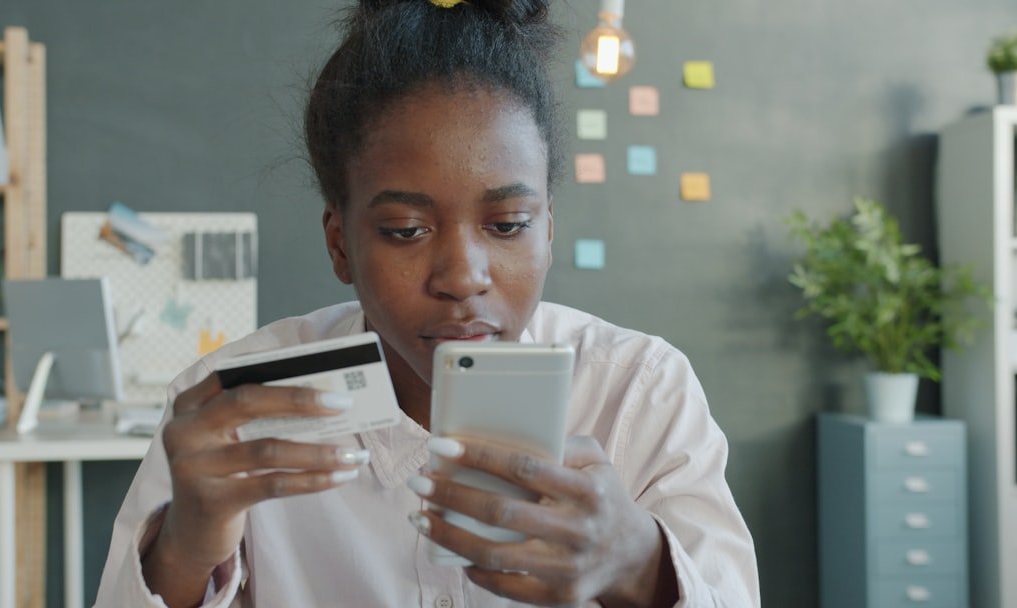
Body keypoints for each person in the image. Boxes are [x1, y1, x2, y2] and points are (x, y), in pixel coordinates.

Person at [95, 0, 760, 606]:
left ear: (548, 231)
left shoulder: (637, 393)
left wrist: (640, 563)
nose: (463, 276)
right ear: (340, 245)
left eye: (506, 226)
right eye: (406, 231)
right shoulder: (234, 415)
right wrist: (183, 547)